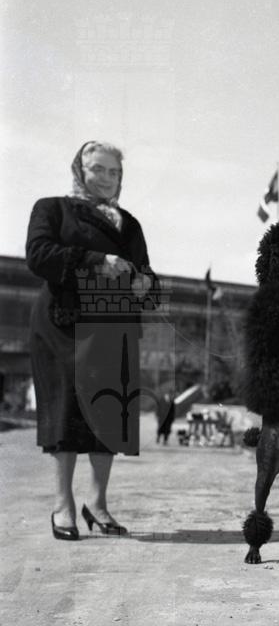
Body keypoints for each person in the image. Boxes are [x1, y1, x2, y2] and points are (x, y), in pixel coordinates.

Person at [26, 141, 159, 540]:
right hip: (64, 325)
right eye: (97, 169)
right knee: (66, 410)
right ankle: (62, 504)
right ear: (79, 171)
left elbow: (145, 271)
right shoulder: (52, 209)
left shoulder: (129, 224)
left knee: (109, 412)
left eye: (113, 172)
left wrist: (146, 284)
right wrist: (97, 261)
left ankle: (97, 503)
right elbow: (38, 253)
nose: (105, 178)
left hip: (115, 325)